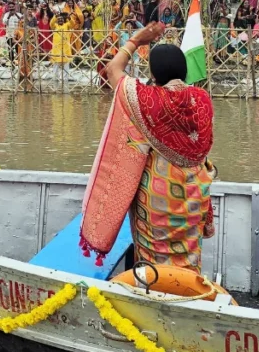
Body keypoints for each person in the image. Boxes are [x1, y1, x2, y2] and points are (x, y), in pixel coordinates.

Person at [80, 22, 216, 271]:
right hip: (194, 193)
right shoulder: (203, 100)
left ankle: (153, 292)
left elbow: (112, 70)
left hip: (158, 195)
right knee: (189, 252)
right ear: (184, 71)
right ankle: (188, 291)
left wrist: (136, 40)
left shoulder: (147, 99)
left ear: (153, 74)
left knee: (154, 260)